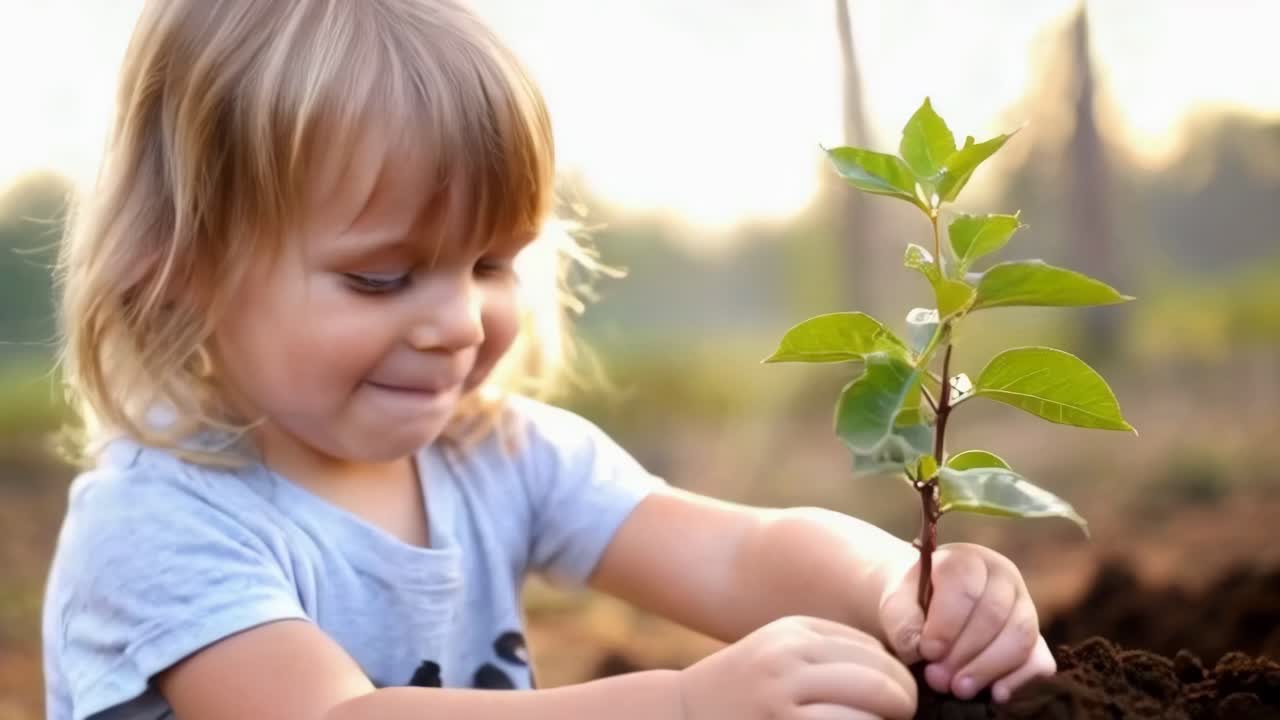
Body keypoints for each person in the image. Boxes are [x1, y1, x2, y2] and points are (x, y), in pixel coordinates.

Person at [41, 2, 1056, 719]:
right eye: (381, 279)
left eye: (489, 262)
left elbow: (734, 553)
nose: (454, 322)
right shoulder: (160, 523)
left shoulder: (496, 456)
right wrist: (685, 706)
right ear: (177, 271)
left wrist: (897, 588)